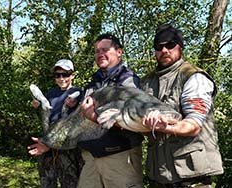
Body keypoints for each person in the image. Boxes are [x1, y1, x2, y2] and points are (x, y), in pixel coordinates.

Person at [28, 34, 144, 188]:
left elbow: (134, 119)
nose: (100, 54)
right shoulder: (93, 83)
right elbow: (76, 123)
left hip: (119, 157)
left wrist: (94, 116)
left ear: (119, 52)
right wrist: (50, 143)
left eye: (105, 49)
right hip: (91, 158)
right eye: (96, 51)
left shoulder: (128, 81)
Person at [141, 24, 224, 188]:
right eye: (159, 46)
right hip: (159, 176)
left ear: (180, 47)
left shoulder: (193, 77)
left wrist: (164, 126)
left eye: (170, 45)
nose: (164, 50)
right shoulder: (146, 82)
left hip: (192, 177)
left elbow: (193, 126)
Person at [31, 59, 84, 188]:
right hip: (48, 141)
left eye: (65, 74)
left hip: (67, 145)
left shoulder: (79, 93)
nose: (61, 78)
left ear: (72, 75)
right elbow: (46, 117)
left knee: (70, 181)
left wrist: (75, 104)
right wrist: (38, 108)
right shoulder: (51, 94)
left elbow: (82, 119)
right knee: (47, 181)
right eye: (57, 75)